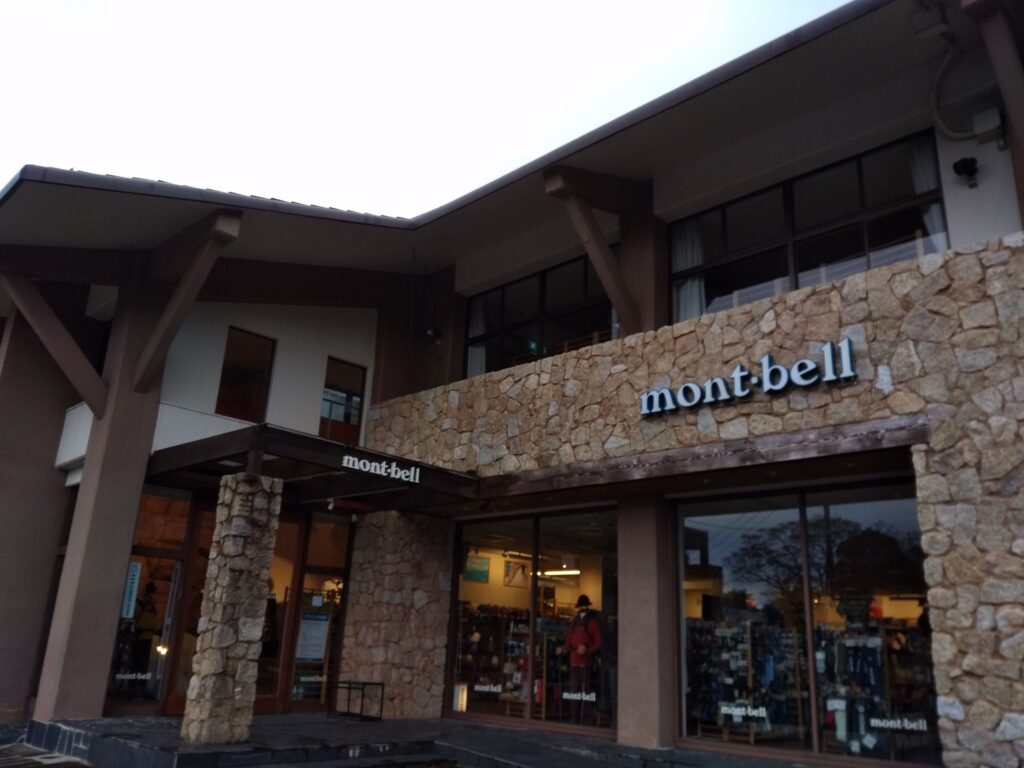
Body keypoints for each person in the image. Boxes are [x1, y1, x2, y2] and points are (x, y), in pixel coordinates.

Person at [561, 594, 602, 724]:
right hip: (574, 660)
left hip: (586, 661)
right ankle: (574, 717)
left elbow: (598, 641)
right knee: (574, 690)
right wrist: (565, 648)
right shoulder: (575, 621)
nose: (582, 609)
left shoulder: (592, 622)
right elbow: (569, 638)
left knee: (586, 690)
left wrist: (588, 651)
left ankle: (587, 718)